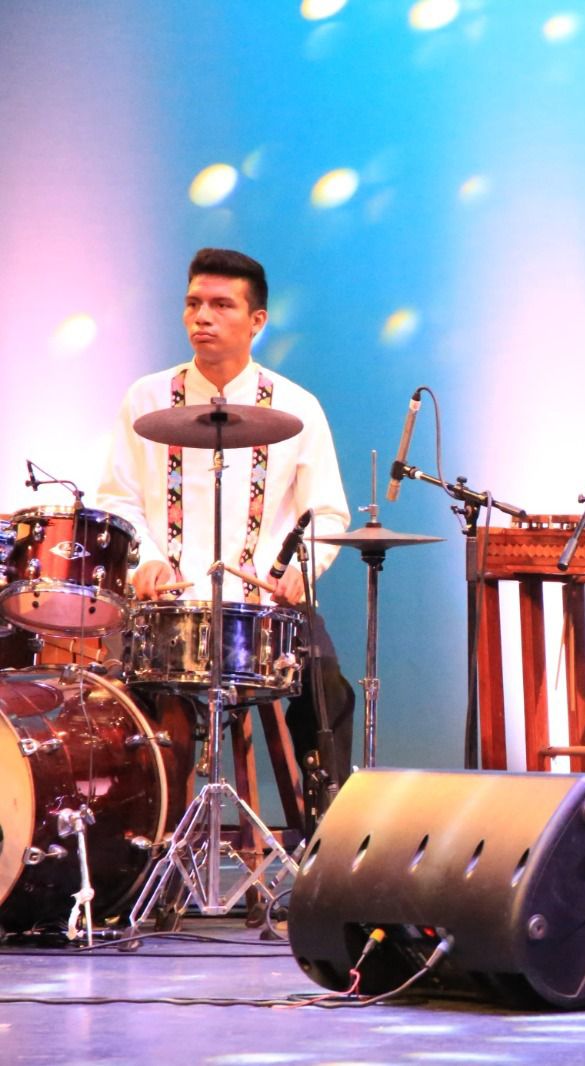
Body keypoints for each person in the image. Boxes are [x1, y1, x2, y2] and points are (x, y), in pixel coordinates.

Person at [97, 247, 355, 824]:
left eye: (220, 305)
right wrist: (146, 563)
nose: (202, 317)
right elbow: (117, 499)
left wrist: (300, 572)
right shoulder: (146, 398)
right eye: (193, 304)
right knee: (128, 706)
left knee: (328, 690)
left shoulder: (297, 407)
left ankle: (326, 845)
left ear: (257, 321)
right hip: (168, 605)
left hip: (263, 609)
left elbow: (329, 515)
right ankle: (145, 848)